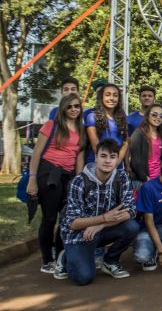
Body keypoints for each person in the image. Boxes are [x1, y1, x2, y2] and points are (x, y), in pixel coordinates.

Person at [57, 139, 138, 285]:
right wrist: (103, 218)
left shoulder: (122, 177)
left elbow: (131, 210)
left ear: (117, 160)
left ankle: (110, 260)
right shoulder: (79, 181)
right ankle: (65, 257)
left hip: (101, 229)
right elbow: (72, 223)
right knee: (84, 278)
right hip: (78, 235)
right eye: (103, 156)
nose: (108, 161)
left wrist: (101, 224)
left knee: (132, 226)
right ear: (96, 157)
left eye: (112, 157)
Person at [28, 93, 86, 274]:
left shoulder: (81, 129)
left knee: (67, 219)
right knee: (50, 218)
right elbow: (36, 153)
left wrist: (79, 182)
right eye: (70, 106)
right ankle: (47, 260)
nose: (74, 109)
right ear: (63, 108)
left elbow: (79, 158)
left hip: (68, 176)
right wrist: (32, 179)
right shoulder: (51, 125)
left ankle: (61, 256)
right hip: (49, 173)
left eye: (77, 106)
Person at [85, 83, 129, 166]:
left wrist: (116, 163)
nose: (112, 98)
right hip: (97, 165)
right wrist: (111, 163)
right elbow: (96, 147)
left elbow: (125, 143)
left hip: (117, 164)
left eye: (115, 95)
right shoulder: (92, 117)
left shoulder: (123, 117)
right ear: (101, 97)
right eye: (108, 95)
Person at [128, 104, 162, 189]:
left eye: (161, 116)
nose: (158, 117)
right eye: (154, 114)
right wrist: (145, 178)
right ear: (147, 115)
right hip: (142, 180)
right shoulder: (139, 133)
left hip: (158, 179)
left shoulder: (161, 135)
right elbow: (135, 160)